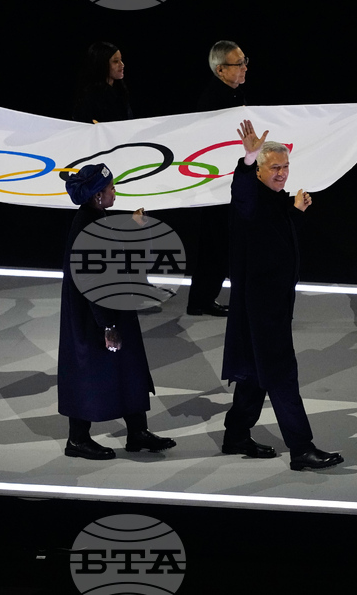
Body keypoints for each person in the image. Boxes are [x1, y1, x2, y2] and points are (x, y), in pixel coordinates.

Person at [220, 119, 343, 471]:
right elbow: (242, 194)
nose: (282, 173)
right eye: (275, 167)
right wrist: (247, 158)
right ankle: (301, 448)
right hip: (261, 307)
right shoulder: (249, 196)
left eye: (286, 167)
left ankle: (235, 434)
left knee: (256, 374)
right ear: (259, 170)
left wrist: (296, 214)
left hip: (269, 304)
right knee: (281, 374)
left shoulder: (274, 200)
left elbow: (273, 241)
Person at [58, 164, 176, 459]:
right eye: (111, 188)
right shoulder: (88, 227)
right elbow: (93, 282)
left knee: (129, 368)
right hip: (95, 318)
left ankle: (136, 432)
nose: (115, 192)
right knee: (89, 373)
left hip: (112, 311)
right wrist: (107, 326)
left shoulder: (96, 218)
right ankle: (77, 440)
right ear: (98, 195)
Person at [186, 40, 249, 317]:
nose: (245, 68)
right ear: (221, 70)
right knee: (215, 245)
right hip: (216, 184)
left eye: (246, 61)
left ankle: (203, 298)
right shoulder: (213, 100)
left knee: (220, 244)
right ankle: (201, 299)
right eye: (239, 64)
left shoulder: (234, 95)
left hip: (230, 182)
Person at [72, 41, 133, 123]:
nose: (122, 65)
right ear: (102, 64)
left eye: (121, 60)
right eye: (115, 61)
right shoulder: (89, 96)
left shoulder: (120, 91)